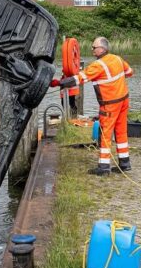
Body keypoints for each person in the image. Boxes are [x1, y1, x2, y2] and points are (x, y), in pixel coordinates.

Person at [50, 36, 133, 176]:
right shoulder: (117, 58)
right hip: (124, 101)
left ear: (102, 49)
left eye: (94, 47)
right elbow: (129, 72)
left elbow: (78, 79)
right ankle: (125, 163)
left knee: (105, 133)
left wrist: (58, 83)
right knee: (121, 131)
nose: (92, 50)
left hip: (110, 105)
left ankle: (104, 167)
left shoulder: (98, 66)